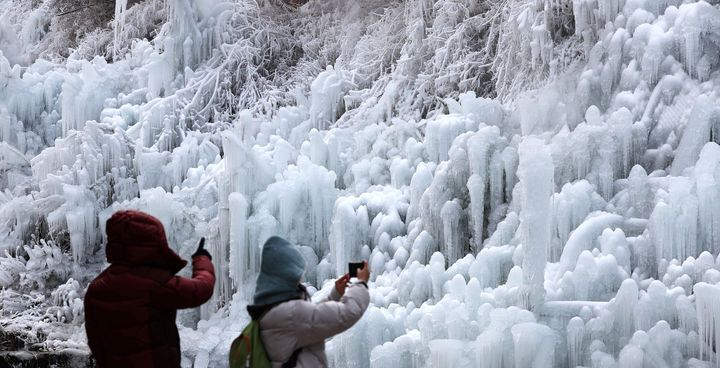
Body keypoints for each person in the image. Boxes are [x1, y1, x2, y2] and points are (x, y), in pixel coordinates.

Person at [84, 210, 215, 368]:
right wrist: (202, 260)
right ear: (151, 243)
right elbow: (200, 290)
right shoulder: (154, 283)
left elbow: (95, 340)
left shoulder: (97, 287)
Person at [248, 236, 370, 368]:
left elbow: (309, 320)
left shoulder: (270, 309)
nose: (299, 280)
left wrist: (335, 295)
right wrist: (361, 283)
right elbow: (347, 313)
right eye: (296, 274)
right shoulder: (291, 313)